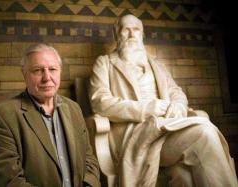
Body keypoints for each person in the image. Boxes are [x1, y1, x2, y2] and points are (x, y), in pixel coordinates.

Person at [88, 14, 237, 187]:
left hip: (168, 128)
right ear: (116, 34)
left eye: (136, 30)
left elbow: (177, 92)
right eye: (126, 30)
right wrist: (146, 109)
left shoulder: (157, 65)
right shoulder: (105, 63)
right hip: (136, 134)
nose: (131, 34)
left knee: (184, 176)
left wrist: (178, 107)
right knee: (204, 133)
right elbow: (99, 101)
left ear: (142, 35)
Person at [0, 43, 100, 187]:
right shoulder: (1, 117)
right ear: (24, 74)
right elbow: (7, 181)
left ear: (60, 72)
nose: (47, 77)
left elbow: (89, 159)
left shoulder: (74, 108)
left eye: (52, 69)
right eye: (38, 70)